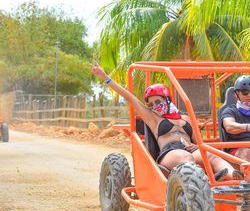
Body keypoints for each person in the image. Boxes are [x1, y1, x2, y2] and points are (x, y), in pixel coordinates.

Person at [90, 60, 235, 181]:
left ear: (167, 99)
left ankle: (237, 179)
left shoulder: (185, 117)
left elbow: (198, 142)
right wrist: (106, 78)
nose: (154, 106)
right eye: (150, 104)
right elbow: (129, 97)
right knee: (186, 157)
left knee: (211, 155)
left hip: (188, 150)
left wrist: (195, 146)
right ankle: (207, 181)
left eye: (157, 101)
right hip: (169, 153)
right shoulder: (153, 118)